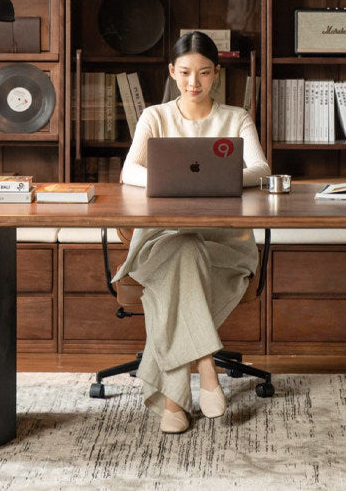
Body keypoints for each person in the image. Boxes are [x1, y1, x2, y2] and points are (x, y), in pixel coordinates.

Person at [113, 31, 270, 434]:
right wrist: (172, 180)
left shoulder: (235, 117)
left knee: (186, 258)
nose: (193, 83)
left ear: (216, 73)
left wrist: (220, 177)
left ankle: (173, 401)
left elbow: (261, 169)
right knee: (181, 248)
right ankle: (206, 368)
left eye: (203, 73)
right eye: (184, 73)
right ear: (172, 71)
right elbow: (129, 171)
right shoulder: (155, 116)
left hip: (223, 242)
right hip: (162, 239)